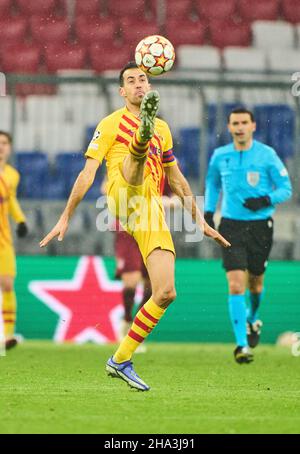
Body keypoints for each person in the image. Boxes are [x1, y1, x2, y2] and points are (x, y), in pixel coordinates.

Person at [40, 62, 230, 391]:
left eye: (143, 79)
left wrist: (199, 220)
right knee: (133, 170)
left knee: (166, 292)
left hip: (149, 209)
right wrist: (66, 215)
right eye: (132, 81)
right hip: (121, 196)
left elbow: (176, 178)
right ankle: (139, 141)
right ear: (122, 92)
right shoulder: (110, 124)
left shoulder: (165, 129)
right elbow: (88, 173)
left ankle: (121, 359)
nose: (139, 84)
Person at [204, 108, 292, 364]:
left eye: (244, 122)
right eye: (235, 123)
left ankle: (253, 318)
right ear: (229, 127)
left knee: (256, 284)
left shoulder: (267, 155)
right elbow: (212, 184)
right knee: (235, 284)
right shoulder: (221, 156)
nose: (240, 127)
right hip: (230, 225)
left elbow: (286, 188)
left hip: (260, 226)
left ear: (253, 126)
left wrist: (265, 199)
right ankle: (242, 345)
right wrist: (209, 212)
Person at [0, 131, 28, 350]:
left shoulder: (12, 175)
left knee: (8, 284)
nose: (1, 147)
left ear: (9, 147)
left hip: (4, 239)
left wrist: (20, 220)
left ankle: (7, 335)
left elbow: (11, 201)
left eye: (4, 143)